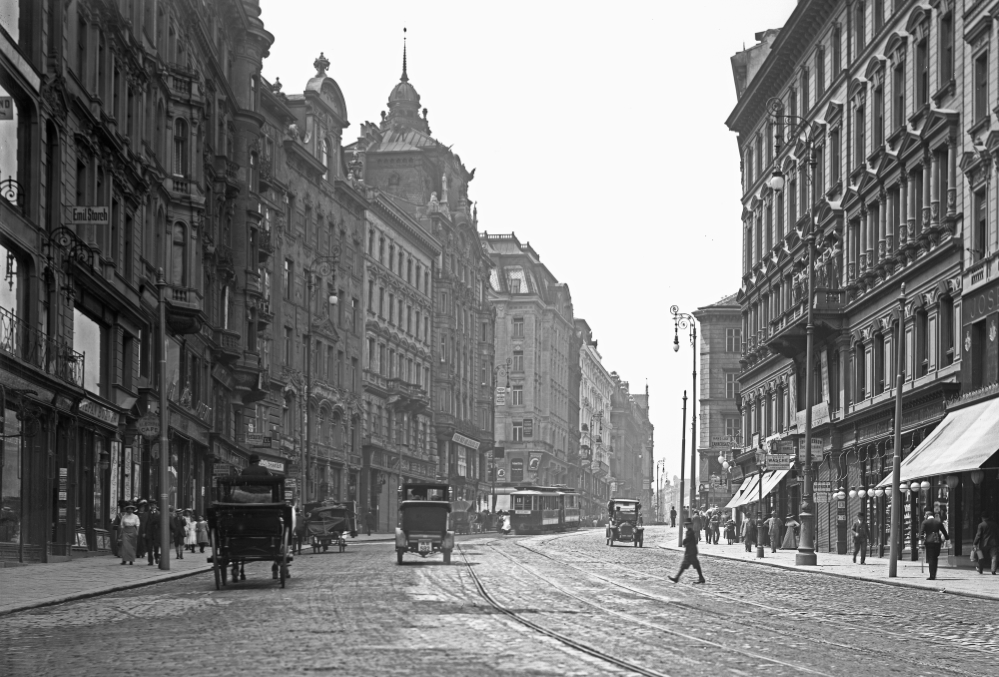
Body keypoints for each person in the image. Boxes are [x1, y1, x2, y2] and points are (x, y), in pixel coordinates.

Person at [668, 520, 705, 585]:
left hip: (691, 552)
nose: (686, 526)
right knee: (690, 565)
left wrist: (684, 541)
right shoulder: (690, 531)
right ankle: (701, 578)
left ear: (690, 525)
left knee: (690, 565)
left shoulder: (690, 532)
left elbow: (688, 539)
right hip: (690, 552)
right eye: (686, 524)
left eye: (688, 524)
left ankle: (677, 578)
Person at [920, 509, 948, 580]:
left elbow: (921, 533)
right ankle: (934, 574)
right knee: (935, 558)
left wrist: (921, 542)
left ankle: (932, 575)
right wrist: (947, 539)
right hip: (937, 541)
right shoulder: (938, 522)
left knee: (931, 558)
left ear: (927, 515)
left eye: (925, 515)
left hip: (929, 542)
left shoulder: (925, 522)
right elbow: (944, 532)